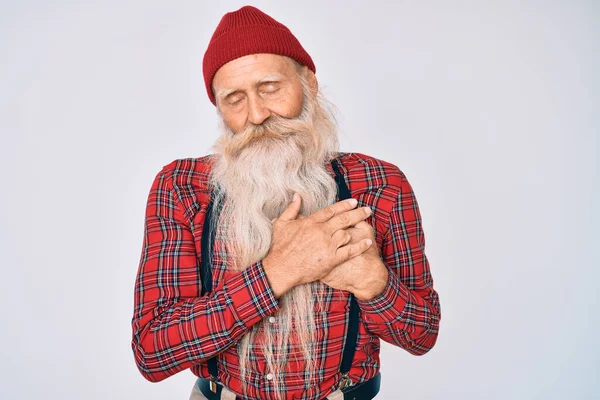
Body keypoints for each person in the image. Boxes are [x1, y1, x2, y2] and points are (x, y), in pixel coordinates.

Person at [130, 5, 441, 400]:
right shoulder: (182, 187)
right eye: (235, 99)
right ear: (219, 109)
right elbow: (153, 351)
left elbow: (422, 334)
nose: (257, 114)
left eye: (270, 88)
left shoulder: (380, 184)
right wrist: (280, 270)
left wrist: (372, 282)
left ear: (308, 83)